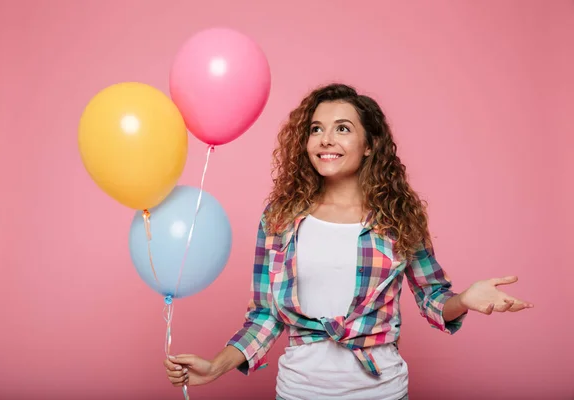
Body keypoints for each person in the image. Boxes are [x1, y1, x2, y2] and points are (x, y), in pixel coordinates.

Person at [163, 83, 533, 400]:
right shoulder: (281, 219)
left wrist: (465, 299)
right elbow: (265, 315)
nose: (326, 139)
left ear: (370, 144)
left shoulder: (398, 218)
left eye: (342, 129)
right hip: (298, 389)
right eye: (316, 129)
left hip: (382, 389)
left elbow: (434, 300)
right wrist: (215, 366)